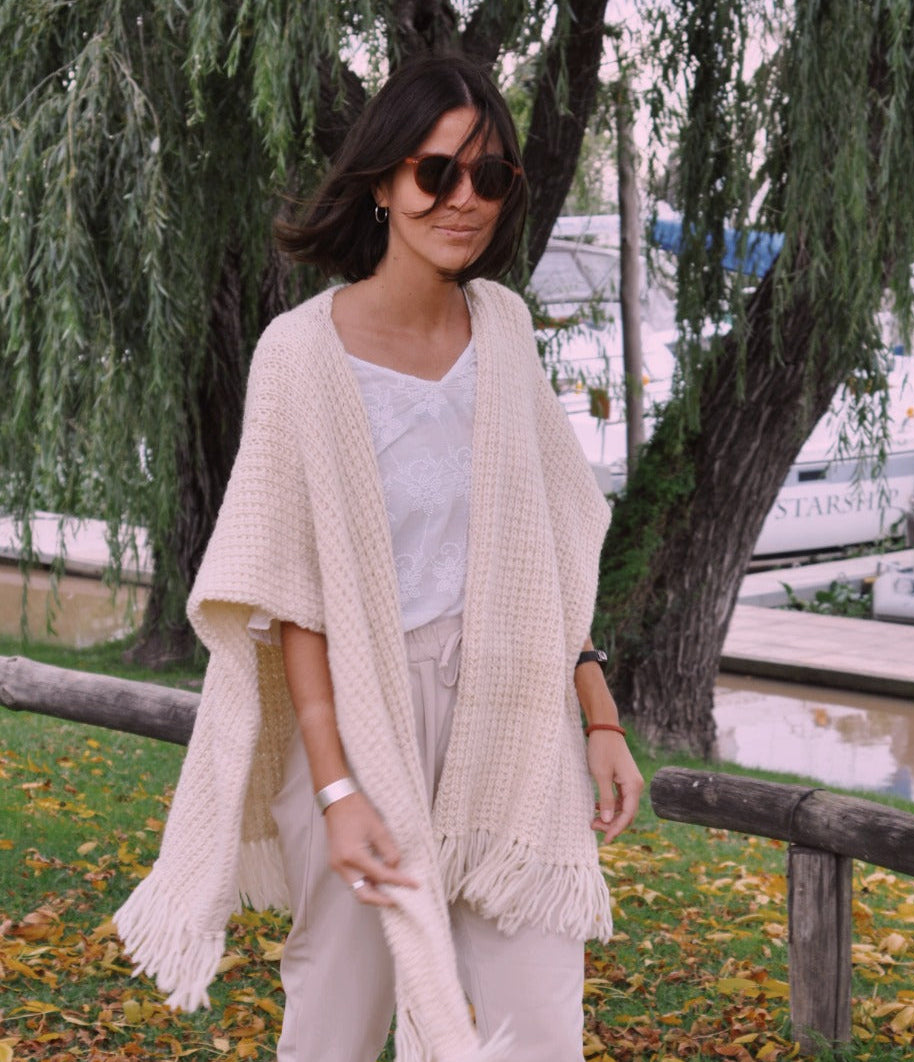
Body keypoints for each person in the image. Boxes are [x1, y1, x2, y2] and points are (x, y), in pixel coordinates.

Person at [114, 53, 643, 1062]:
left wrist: (599, 715)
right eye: (434, 171)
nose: (462, 200)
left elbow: (544, 553)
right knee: (340, 1018)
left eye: (490, 177)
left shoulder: (506, 327)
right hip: (358, 715)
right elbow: (289, 595)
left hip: (511, 713)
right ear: (383, 181)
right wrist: (335, 788)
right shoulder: (299, 355)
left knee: (539, 1023)